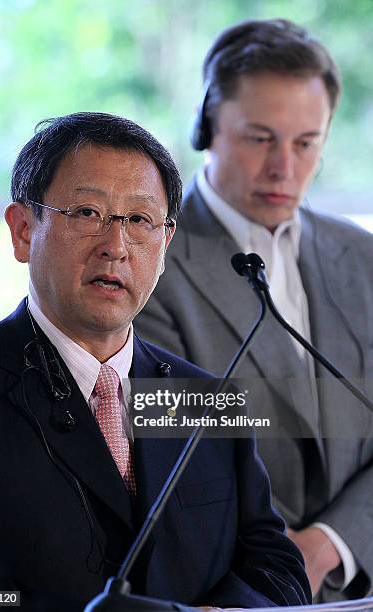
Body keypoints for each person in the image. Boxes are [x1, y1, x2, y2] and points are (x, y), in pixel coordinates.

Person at [0, 112, 310, 611]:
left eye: (139, 220)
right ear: (22, 230)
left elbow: (276, 564)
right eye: (86, 213)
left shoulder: (204, 400)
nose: (115, 247)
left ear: (164, 244)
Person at [135, 19, 373, 601]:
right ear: (207, 128)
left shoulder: (364, 259)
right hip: (231, 591)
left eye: (305, 143)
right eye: (260, 138)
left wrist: (333, 543)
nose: (283, 169)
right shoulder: (144, 263)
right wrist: (282, 560)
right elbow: (178, 457)